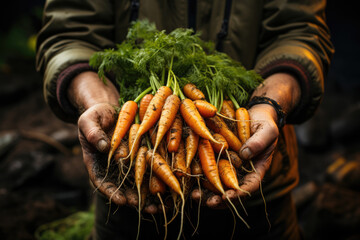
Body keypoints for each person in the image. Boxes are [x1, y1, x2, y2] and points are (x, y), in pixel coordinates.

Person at [36, 0, 334, 239]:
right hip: (127, 205)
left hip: (259, 190)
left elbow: (299, 31)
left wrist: (269, 104)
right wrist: (97, 100)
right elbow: (68, 32)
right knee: (149, 137)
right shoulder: (159, 104)